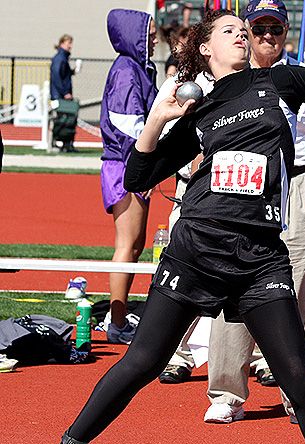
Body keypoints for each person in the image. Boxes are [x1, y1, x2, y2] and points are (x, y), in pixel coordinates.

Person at [8, 10, 305, 444]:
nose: (242, 34)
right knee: (142, 362)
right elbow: (139, 175)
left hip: (260, 256)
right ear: (205, 48)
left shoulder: (281, 80)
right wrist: (157, 119)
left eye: (244, 30)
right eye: (229, 30)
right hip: (197, 249)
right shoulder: (199, 109)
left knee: (296, 372)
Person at [202, 0, 305, 423]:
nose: (267, 36)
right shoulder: (227, 79)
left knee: (297, 294)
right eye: (258, 28)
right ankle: (226, 393)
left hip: (295, 186)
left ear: (285, 33)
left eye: (275, 28)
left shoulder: (301, 79)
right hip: (241, 185)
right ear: (247, 32)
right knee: (233, 285)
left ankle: (299, 395)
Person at [99, 9, 158, 344]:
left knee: (135, 246)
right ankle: (117, 322)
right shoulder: (126, 69)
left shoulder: (137, 68)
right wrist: (146, 162)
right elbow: (127, 124)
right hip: (124, 165)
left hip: (129, 164)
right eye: (149, 33)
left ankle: (117, 319)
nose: (154, 38)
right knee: (127, 245)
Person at [50, 34, 80, 152]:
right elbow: (57, 77)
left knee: (66, 119)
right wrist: (65, 92)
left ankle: (66, 144)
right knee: (63, 120)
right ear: (62, 43)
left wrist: (72, 71)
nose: (71, 46)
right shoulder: (60, 58)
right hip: (59, 95)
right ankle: (61, 143)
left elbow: (62, 74)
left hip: (60, 94)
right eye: (69, 43)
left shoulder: (62, 58)